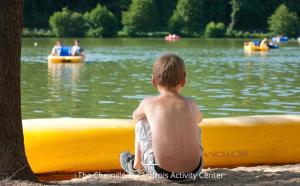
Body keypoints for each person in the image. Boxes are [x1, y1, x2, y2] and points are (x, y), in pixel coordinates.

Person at [120, 53, 203, 181]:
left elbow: (135, 117)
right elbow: (199, 119)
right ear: (184, 80)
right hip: (194, 171)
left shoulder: (148, 103)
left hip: (162, 173)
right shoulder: (191, 103)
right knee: (195, 125)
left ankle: (137, 165)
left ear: (153, 80)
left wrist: (153, 120)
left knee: (142, 121)